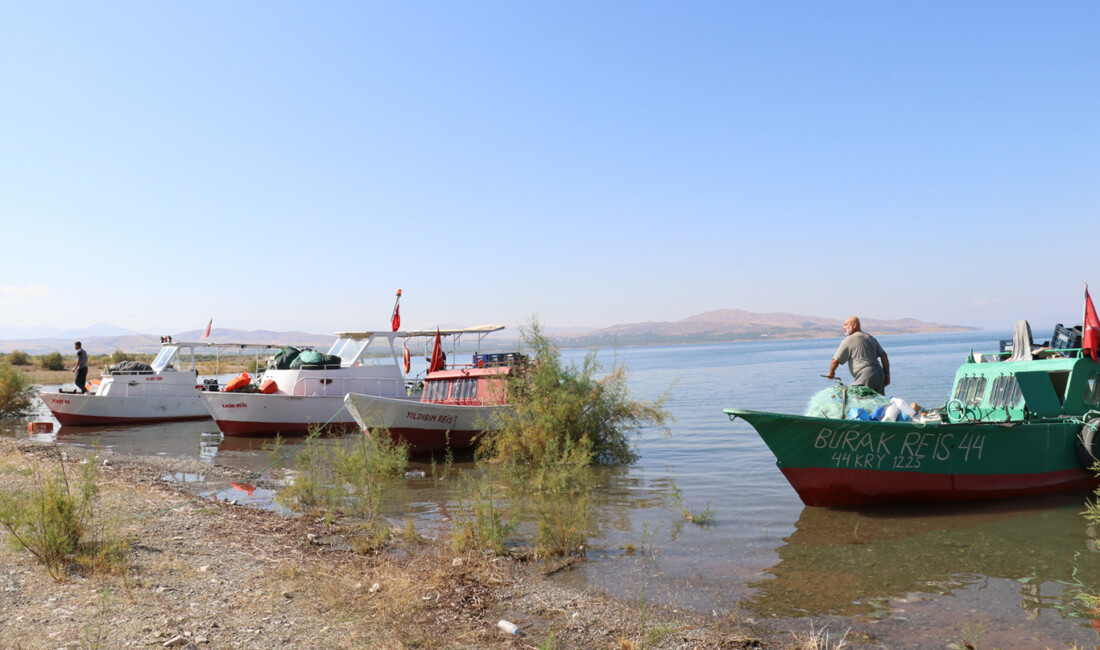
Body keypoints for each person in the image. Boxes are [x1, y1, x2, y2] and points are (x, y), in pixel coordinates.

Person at [825, 316, 890, 394]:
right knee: (877, 403)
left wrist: (831, 373)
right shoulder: (870, 338)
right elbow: (884, 355)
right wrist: (887, 375)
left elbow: (835, 361)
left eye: (846, 325)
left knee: (855, 397)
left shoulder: (848, 340)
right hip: (880, 374)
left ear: (854, 325)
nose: (843, 328)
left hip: (867, 374)